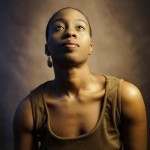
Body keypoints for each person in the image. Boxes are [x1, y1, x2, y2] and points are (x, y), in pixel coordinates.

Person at [13, 7, 147, 150]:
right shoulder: (28, 111)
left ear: (90, 46)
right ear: (47, 48)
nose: (70, 32)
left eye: (80, 27)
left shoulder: (126, 97)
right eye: (59, 27)